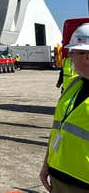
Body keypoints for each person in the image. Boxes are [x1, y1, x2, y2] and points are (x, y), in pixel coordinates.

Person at [40, 23, 89, 192]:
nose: (70, 58)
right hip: (58, 176)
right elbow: (57, 129)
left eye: (72, 53)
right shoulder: (74, 85)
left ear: (87, 56)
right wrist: (47, 163)